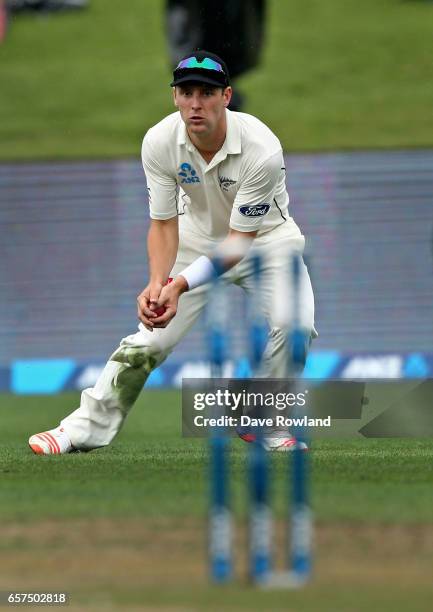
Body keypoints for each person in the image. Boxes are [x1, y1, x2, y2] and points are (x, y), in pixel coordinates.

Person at [28, 50, 316, 456]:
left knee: (295, 327)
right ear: (175, 97)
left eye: (207, 92)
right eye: (186, 92)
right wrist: (156, 283)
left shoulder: (262, 148)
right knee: (148, 344)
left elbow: (238, 241)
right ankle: (81, 430)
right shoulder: (160, 141)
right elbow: (164, 223)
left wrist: (180, 283)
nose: (196, 103)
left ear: (227, 96)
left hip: (266, 242)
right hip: (197, 239)